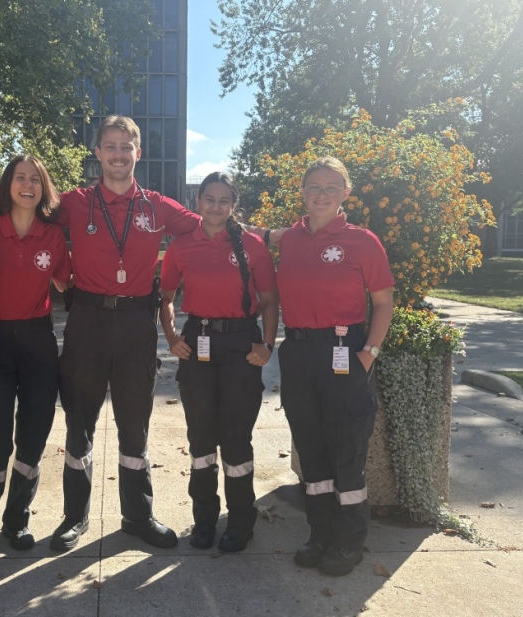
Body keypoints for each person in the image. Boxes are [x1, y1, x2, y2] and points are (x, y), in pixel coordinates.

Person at [51, 115, 201, 551]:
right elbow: (24, 211)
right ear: (97, 153)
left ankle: (138, 516)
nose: (118, 154)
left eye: (126, 146)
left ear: (139, 153)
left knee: (134, 423)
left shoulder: (157, 206)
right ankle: (73, 517)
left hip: (138, 323)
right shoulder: (75, 202)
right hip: (87, 323)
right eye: (110, 146)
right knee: (80, 421)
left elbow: (211, 225)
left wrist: (272, 235)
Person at [271, 156, 394, 576]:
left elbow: (383, 302)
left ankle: (349, 541)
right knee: (313, 451)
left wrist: (369, 354)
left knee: (346, 451)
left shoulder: (363, 241)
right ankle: (320, 533)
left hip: (346, 352)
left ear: (345, 194)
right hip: (299, 353)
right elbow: (258, 233)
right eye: (313, 187)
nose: (321, 194)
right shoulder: (290, 238)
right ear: (303, 192)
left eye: (331, 187)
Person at [159, 172, 279, 552]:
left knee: (236, 437)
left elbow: (270, 299)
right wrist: (174, 338)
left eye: (223, 200)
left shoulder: (252, 246)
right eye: (209, 199)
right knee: (201, 438)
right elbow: (165, 298)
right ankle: (204, 521)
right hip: (199, 343)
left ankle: (241, 523)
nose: (215, 206)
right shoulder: (180, 246)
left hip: (241, 343)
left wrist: (268, 345)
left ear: (233, 205)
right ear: (198, 202)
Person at [0, 155, 71, 555]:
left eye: (35, 180)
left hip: (38, 343)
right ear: (8, 184)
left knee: (32, 438)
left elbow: (67, 282)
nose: (27, 185)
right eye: (20, 178)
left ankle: (17, 520)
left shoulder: (53, 236)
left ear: (44, 188)